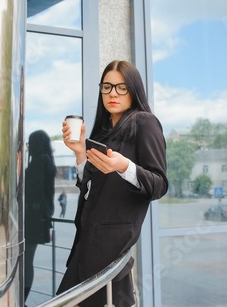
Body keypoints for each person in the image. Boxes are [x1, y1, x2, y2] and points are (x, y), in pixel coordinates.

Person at [56, 60, 168, 306]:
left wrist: (124, 166)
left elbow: (159, 184)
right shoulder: (102, 133)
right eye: (107, 87)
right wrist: (79, 153)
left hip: (111, 245)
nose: (113, 93)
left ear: (133, 90)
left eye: (121, 87)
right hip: (88, 240)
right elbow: (90, 188)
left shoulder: (145, 123)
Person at [24, 130, 56, 303]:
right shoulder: (47, 160)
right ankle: (23, 298)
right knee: (28, 259)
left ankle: (22, 298)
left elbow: (33, 191)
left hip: (32, 219)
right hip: (39, 218)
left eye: (30, 144)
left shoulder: (39, 161)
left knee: (27, 260)